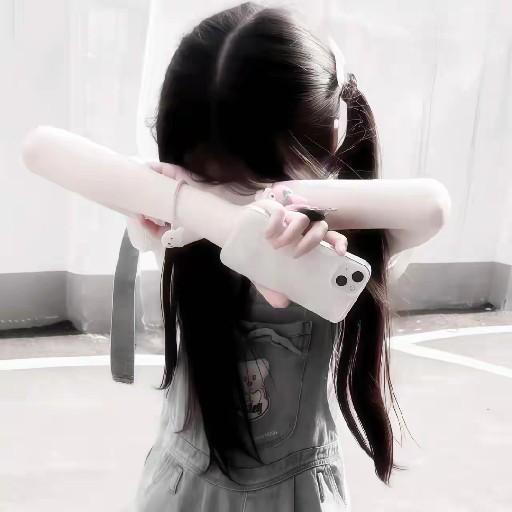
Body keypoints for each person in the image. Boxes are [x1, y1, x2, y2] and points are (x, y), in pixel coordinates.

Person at [124, 3, 450, 511]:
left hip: (294, 496)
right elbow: (49, 154)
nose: (236, 196)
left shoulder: (341, 237)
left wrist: (287, 204)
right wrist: (187, 207)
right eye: (212, 177)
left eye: (256, 178)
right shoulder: (184, 227)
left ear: (332, 136)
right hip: (181, 490)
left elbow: (433, 207)